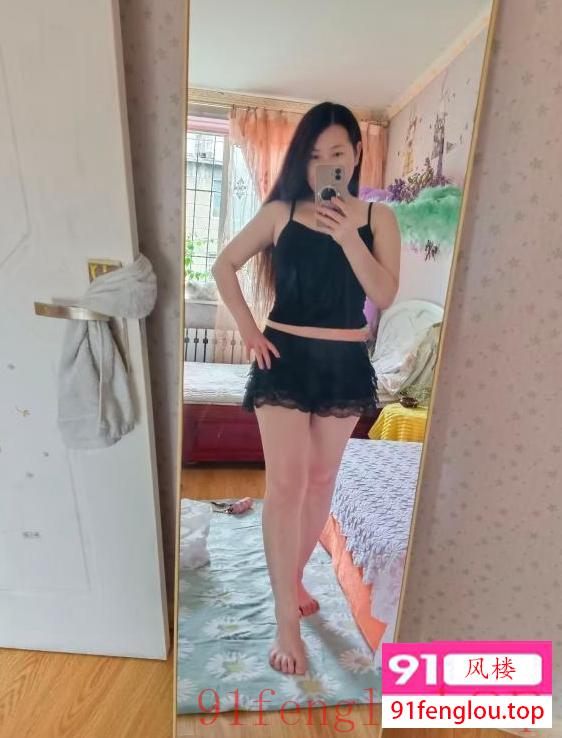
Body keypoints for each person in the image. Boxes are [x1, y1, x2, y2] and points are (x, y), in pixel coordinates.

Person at [211, 101, 401, 676]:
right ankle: (285, 620)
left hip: (344, 361)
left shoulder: (378, 219)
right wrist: (249, 331)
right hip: (285, 358)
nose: (326, 165)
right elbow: (224, 265)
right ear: (302, 160)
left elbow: (384, 295)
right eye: (315, 155)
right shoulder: (280, 211)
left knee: (321, 481)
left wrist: (347, 236)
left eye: (337, 153)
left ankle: (291, 579)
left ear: (357, 155)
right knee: (286, 485)